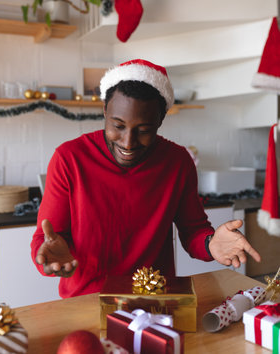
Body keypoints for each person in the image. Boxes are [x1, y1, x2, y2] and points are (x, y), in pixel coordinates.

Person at [31, 59, 261, 298]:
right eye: (117, 125)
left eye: (143, 130)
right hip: (86, 299)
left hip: (155, 298)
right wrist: (48, 256)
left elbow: (193, 230)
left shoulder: (177, 161)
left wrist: (210, 244)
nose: (128, 142)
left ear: (160, 121)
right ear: (104, 111)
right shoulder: (69, 158)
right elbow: (45, 238)